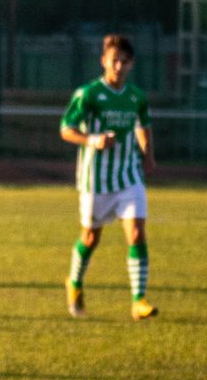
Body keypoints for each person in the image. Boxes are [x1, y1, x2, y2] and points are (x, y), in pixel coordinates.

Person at [59, 34, 157, 320]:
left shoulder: (136, 96)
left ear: (131, 64)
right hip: (96, 180)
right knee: (90, 237)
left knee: (137, 232)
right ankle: (74, 282)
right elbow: (66, 129)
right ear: (103, 61)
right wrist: (93, 140)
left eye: (124, 61)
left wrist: (148, 153)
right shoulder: (88, 94)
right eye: (114, 60)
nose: (119, 66)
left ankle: (139, 301)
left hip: (129, 175)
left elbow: (144, 124)